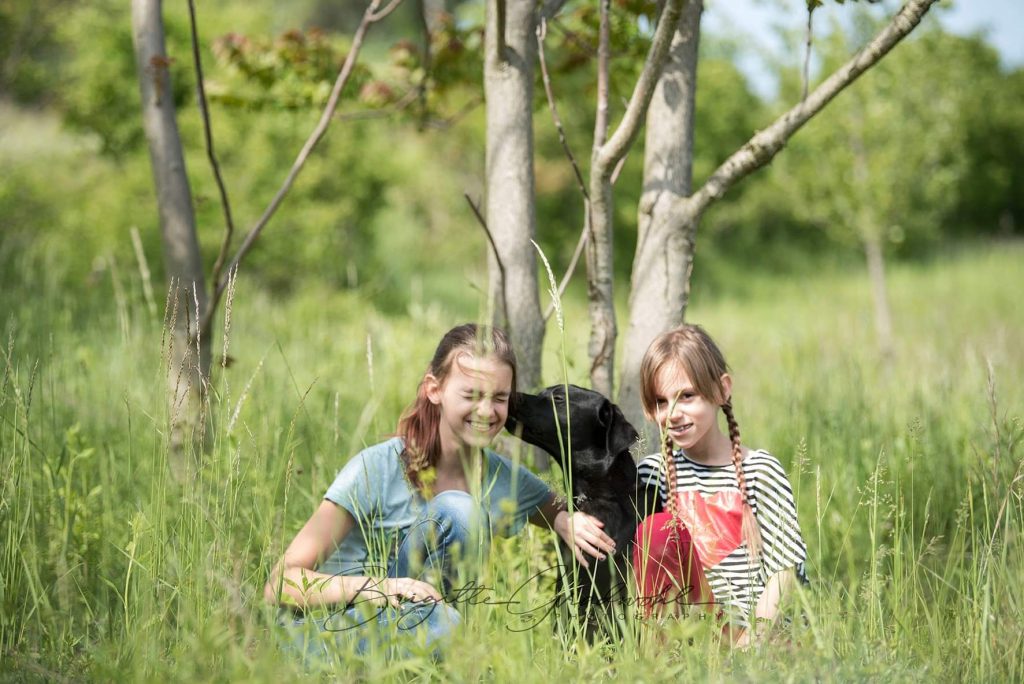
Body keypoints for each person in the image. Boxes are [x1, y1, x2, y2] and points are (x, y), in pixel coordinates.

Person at [264, 323, 615, 661]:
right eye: (471, 394)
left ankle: (431, 654)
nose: (486, 411)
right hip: (332, 628)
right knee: (458, 528)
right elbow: (281, 583)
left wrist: (565, 520)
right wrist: (381, 587)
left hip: (424, 627)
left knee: (446, 623)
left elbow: (551, 507)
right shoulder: (376, 469)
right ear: (435, 389)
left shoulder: (500, 477)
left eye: (499, 398)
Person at [632, 324, 807, 647]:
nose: (674, 413)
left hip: (758, 637)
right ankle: (662, 662)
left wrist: (749, 647)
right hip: (692, 637)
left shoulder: (759, 470)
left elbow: (785, 572)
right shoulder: (650, 475)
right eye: (660, 401)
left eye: (687, 396)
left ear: (722, 389)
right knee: (656, 531)